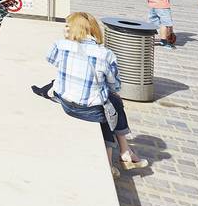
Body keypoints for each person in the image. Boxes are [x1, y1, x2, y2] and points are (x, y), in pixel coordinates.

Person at [42, 12, 148, 173]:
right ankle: (124, 153)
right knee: (112, 103)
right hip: (89, 110)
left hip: (65, 103)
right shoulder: (106, 54)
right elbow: (115, 85)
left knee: (109, 106)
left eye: (68, 26)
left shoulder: (60, 45)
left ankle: (120, 157)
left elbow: (51, 60)